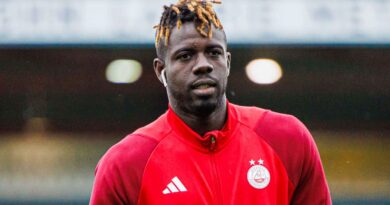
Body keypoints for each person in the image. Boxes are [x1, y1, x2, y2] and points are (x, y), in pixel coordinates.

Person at [90, 0, 332, 204]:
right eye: (186, 56)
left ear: (227, 62)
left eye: (213, 52)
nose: (203, 64)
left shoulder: (287, 139)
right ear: (160, 70)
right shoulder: (124, 165)